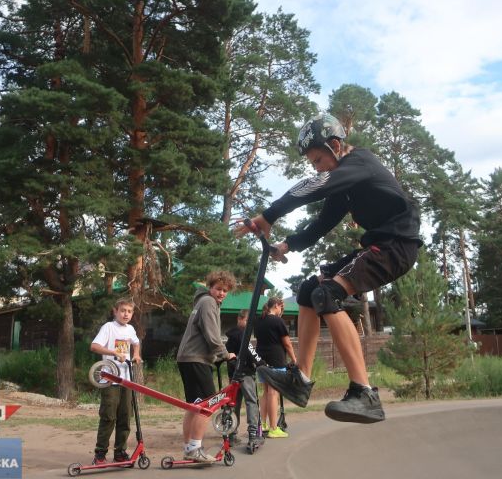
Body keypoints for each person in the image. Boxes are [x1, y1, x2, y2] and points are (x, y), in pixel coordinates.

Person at [235, 113, 422, 424]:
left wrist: (268, 216)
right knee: (310, 291)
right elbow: (321, 224)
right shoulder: (345, 187)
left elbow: (313, 187)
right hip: (381, 245)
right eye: (313, 163)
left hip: (397, 245)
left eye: (319, 159)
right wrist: (287, 245)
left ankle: (364, 393)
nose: (317, 168)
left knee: (329, 294)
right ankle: (301, 381)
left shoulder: (360, 163)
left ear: (336, 145)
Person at [176, 270, 237, 463]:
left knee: (194, 406)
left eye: (225, 290)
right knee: (208, 406)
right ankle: (195, 449)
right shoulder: (208, 303)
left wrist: (216, 356)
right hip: (196, 358)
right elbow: (212, 335)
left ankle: (189, 448)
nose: (221, 293)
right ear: (210, 287)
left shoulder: (203, 302)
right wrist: (225, 355)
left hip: (188, 357)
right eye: (218, 289)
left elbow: (206, 334)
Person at [90, 298, 142, 465]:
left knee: (125, 417)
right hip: (110, 379)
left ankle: (120, 452)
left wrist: (136, 354)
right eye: (123, 310)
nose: (126, 314)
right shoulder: (109, 327)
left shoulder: (130, 329)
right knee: (108, 417)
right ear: (115, 311)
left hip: (126, 380)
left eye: (129, 311)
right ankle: (100, 454)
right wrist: (113, 352)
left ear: (132, 314)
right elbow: (95, 346)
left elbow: (136, 342)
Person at [255, 297, 296, 438]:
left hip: (261, 360)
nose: (281, 311)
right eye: (281, 308)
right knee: (273, 393)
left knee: (266, 392)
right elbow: (287, 344)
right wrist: (294, 359)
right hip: (276, 359)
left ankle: (264, 424)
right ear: (277, 305)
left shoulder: (259, 320)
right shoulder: (278, 321)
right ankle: (273, 429)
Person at [224, 309, 263, 451]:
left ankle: (232, 434)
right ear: (239, 319)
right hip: (245, 374)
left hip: (233, 375)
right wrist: (261, 363)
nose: (249, 325)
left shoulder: (231, 336)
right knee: (251, 402)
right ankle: (253, 433)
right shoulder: (243, 335)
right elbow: (252, 353)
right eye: (247, 321)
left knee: (234, 404)